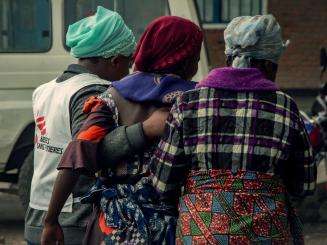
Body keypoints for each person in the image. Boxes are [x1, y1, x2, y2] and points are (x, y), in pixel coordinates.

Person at [150, 15, 316, 244]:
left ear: (228, 58)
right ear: (268, 64)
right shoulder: (285, 106)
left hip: (201, 237)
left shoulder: (188, 104)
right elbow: (304, 184)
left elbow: (162, 182)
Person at [41, 16, 203, 244]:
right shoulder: (197, 101)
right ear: (185, 60)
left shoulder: (112, 96)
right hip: (176, 226)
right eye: (195, 59)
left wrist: (51, 219)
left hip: (113, 227)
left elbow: (78, 152)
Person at [25, 6, 137, 245]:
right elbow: (81, 153)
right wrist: (143, 131)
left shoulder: (45, 90)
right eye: (128, 63)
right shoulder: (93, 92)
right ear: (115, 60)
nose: (128, 72)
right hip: (68, 224)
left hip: (36, 214)